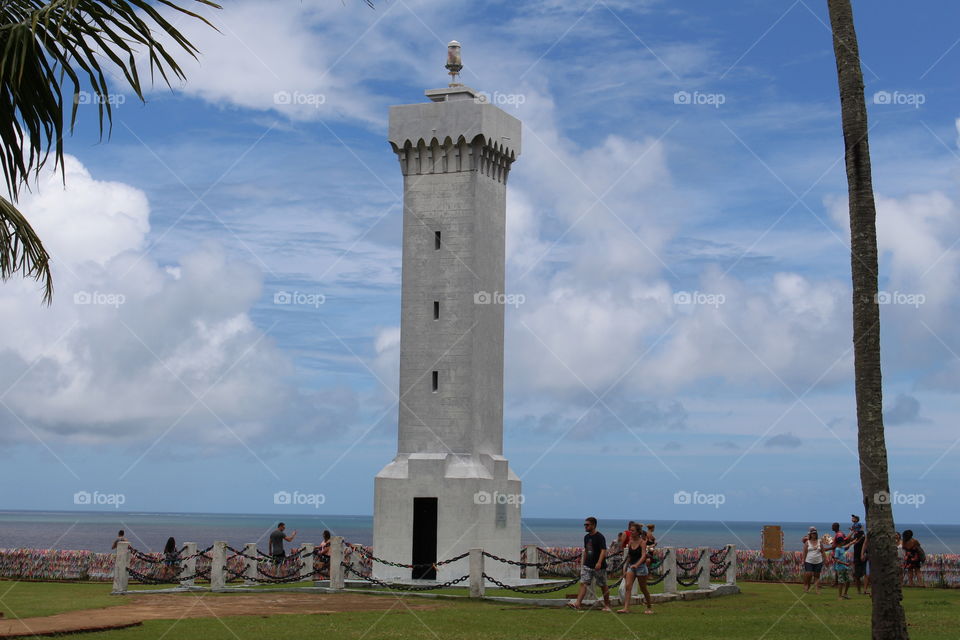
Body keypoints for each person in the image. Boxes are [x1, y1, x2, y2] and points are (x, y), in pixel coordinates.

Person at [568, 517, 611, 612]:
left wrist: (599, 562)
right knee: (583, 584)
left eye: (587, 525)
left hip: (599, 566)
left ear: (593, 525)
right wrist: (583, 563)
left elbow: (603, 550)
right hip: (588, 565)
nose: (585, 526)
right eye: (585, 525)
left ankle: (607, 605)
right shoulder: (586, 537)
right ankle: (578, 604)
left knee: (603, 585)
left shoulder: (600, 537)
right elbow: (586, 550)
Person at [617, 523, 653, 615]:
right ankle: (626, 608)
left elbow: (643, 556)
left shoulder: (642, 542)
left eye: (632, 531)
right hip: (631, 566)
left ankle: (649, 606)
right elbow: (629, 556)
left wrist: (637, 565)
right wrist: (625, 568)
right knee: (628, 586)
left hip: (641, 567)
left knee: (643, 588)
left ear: (637, 532)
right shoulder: (630, 542)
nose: (631, 532)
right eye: (630, 530)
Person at [801, 526, 824, 594]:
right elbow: (805, 552)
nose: (814, 534)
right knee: (809, 574)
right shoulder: (807, 542)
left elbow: (822, 551)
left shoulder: (819, 541)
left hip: (818, 561)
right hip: (809, 561)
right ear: (810, 534)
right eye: (812, 533)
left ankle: (817, 590)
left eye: (815, 533)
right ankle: (806, 586)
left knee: (817, 576)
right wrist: (803, 560)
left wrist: (825, 559)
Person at [850, 517, 866, 594]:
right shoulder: (856, 534)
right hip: (857, 556)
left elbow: (857, 542)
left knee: (865, 574)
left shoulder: (861, 535)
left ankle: (863, 590)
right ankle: (859, 590)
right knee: (857, 575)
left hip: (863, 556)